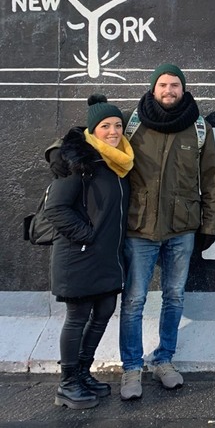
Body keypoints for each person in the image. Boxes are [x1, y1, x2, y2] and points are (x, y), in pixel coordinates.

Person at [119, 63, 215, 401]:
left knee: (174, 297)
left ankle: (164, 360)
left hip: (182, 228)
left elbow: (210, 182)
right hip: (139, 228)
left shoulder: (200, 128)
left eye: (174, 85)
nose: (169, 90)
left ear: (183, 88)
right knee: (133, 300)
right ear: (153, 88)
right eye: (163, 84)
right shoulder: (132, 124)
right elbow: (101, 151)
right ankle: (131, 368)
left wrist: (209, 226)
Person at [44, 94, 133, 409]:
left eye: (118, 125)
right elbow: (55, 208)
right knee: (78, 316)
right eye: (105, 126)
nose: (113, 131)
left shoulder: (117, 163)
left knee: (105, 310)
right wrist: (88, 236)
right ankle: (67, 384)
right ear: (93, 130)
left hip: (106, 258)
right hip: (79, 256)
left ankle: (82, 372)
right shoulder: (78, 163)